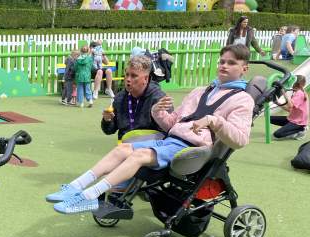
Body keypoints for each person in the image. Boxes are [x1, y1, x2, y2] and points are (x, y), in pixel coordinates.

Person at [46, 44, 254, 214]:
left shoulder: (242, 100)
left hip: (193, 149)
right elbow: (173, 124)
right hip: (172, 140)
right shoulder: (201, 91)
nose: (224, 66)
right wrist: (157, 112)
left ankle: (88, 197)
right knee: (123, 149)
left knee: (139, 155)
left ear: (244, 68)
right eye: (222, 61)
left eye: (232, 63)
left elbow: (240, 140)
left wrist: (213, 120)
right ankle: (75, 187)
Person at [101, 55, 166, 141]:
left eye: (134, 76)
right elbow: (109, 130)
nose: (128, 79)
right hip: (125, 145)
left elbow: (165, 131)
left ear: (146, 79)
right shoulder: (119, 98)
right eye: (127, 74)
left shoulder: (159, 99)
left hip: (150, 147)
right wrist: (107, 120)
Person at [271, 75, 308, 140]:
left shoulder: (299, 93)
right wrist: (278, 103)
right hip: (291, 119)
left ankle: (301, 130)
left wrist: (283, 91)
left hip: (299, 123)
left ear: (296, 84)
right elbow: (290, 109)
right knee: (269, 119)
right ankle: (290, 128)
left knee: (277, 134)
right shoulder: (296, 92)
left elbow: (290, 105)